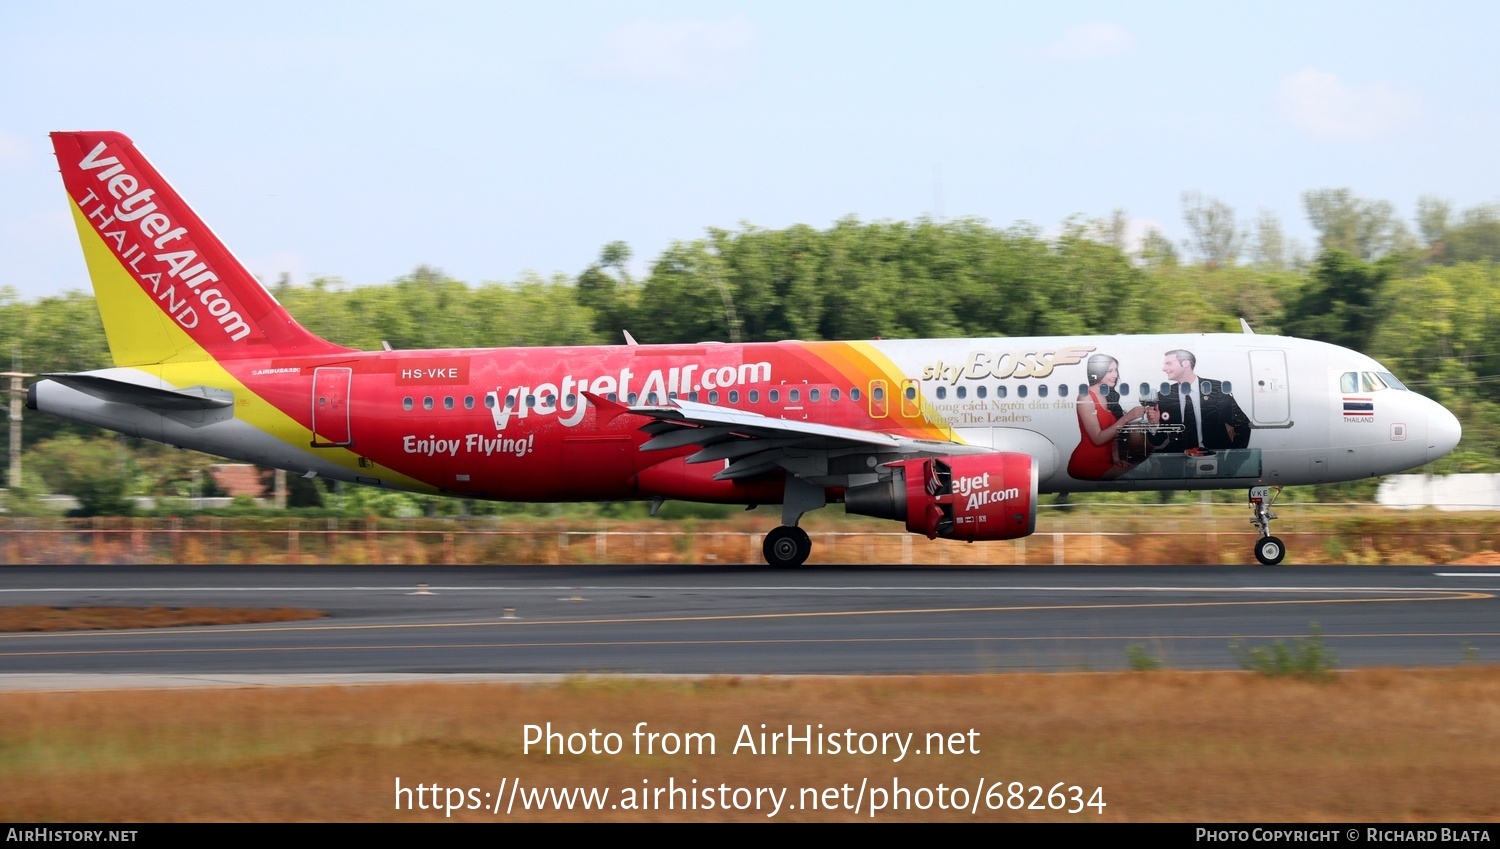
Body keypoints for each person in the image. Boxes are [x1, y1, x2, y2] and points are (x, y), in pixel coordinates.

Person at [1145, 349, 1251, 454]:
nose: (1164, 369)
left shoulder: (1215, 389)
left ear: (1186, 363)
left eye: (1169, 363)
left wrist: (1235, 458)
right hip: (1177, 461)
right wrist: (1154, 425)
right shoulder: (1164, 396)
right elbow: (1157, 441)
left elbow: (1243, 425)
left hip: (1213, 459)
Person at [1067, 354, 1148, 480]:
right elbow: (1098, 439)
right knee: (1144, 472)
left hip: (1107, 462)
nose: (1115, 375)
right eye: (1110, 371)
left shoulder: (1108, 396)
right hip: (1087, 462)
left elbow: (1113, 437)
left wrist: (1116, 460)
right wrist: (1126, 418)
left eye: (1116, 370)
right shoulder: (1086, 397)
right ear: (1097, 372)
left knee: (1145, 469)